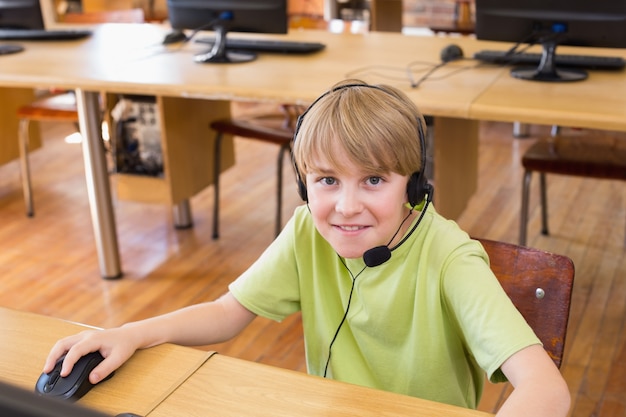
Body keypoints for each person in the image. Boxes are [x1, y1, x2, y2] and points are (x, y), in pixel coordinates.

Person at [44, 80, 570, 416]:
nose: (344, 207)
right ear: (303, 185)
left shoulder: (450, 259)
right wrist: (128, 333)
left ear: (414, 185)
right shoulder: (306, 232)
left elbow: (547, 392)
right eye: (325, 181)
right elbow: (228, 314)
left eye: (372, 180)